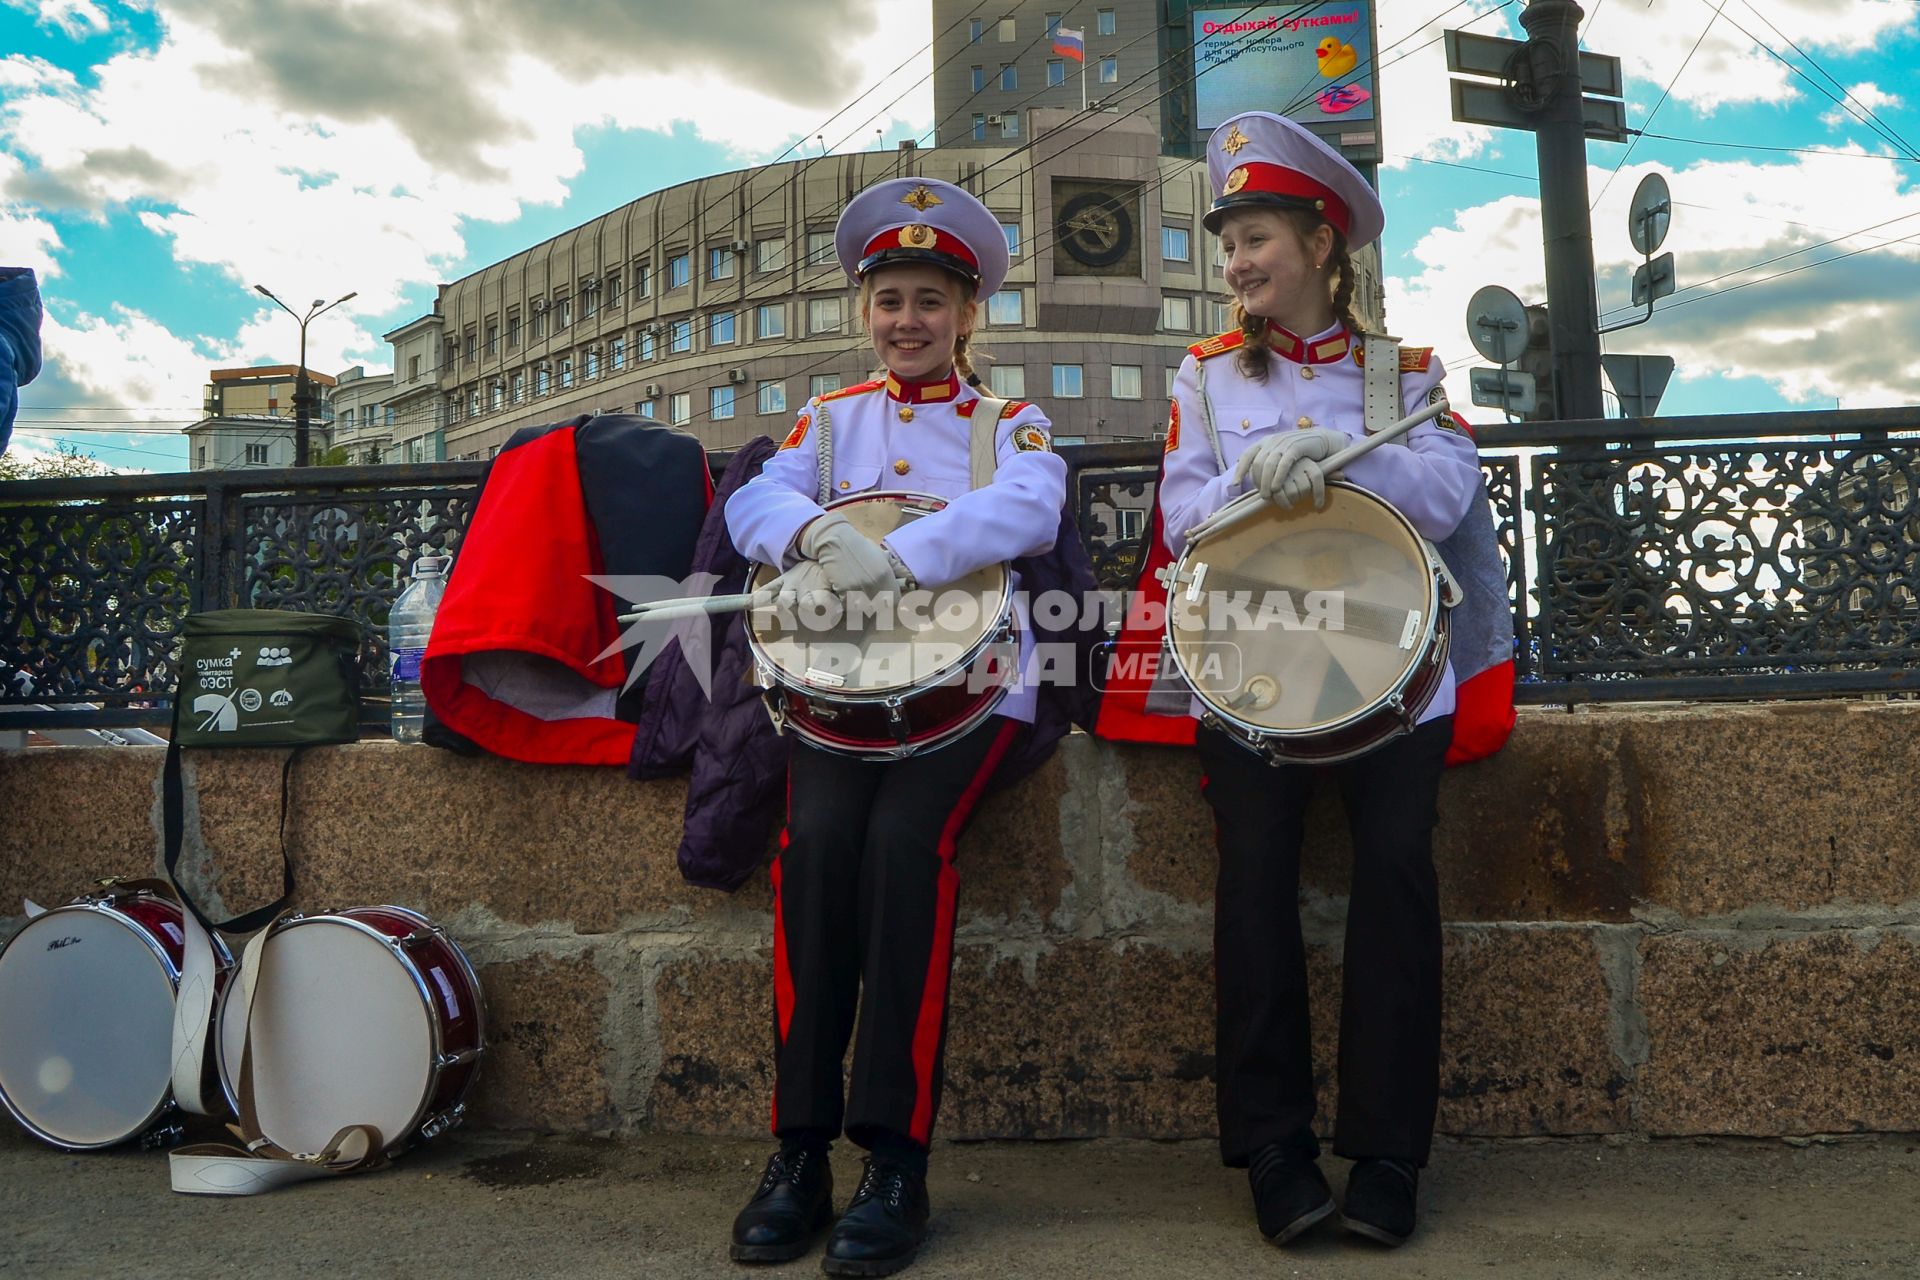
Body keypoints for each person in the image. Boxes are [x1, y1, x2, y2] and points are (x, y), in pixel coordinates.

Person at [722, 176, 1067, 1276]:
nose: (907, 320)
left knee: (904, 853)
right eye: (888, 300)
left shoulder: (1007, 421)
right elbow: (753, 502)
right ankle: (798, 1150)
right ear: (864, 312)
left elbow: (1034, 503)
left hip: (972, 697)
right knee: (815, 852)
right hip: (839, 701)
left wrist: (901, 554)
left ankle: (896, 1157)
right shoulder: (827, 422)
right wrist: (819, 538)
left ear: (969, 315)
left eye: (929, 299)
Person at [1155, 111, 1483, 1249]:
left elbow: (1447, 499)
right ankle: (1276, 1147)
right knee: (1254, 889)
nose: (1241, 263)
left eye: (1260, 238)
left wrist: (1363, 451)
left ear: (1324, 244)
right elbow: (1178, 520)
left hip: (1393, 669)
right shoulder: (1201, 380)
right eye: (1232, 242)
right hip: (1251, 667)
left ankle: (1388, 1151)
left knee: (1396, 880)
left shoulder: (1406, 372)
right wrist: (1249, 472)